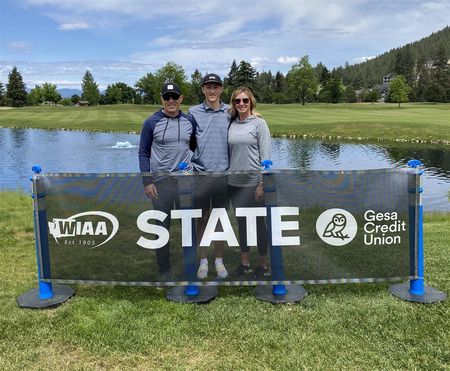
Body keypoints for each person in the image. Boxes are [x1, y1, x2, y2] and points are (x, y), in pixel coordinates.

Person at [138, 82, 195, 281]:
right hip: (161, 183)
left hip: (185, 182)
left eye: (175, 97)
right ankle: (164, 269)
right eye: (167, 97)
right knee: (161, 227)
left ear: (181, 99)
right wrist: (147, 181)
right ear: (162, 99)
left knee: (189, 225)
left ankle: (190, 266)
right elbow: (143, 153)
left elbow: (193, 147)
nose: (171, 100)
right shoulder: (151, 122)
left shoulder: (189, 121)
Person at [188, 73, 230, 280]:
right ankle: (203, 261)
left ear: (221, 89)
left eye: (216, 87)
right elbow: (186, 140)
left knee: (220, 220)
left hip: (223, 175)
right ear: (203, 89)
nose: (212, 90)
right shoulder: (193, 112)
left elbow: (246, 117)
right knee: (202, 219)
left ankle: (219, 261)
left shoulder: (229, 112)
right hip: (200, 175)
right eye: (208, 87)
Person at [228, 86, 271, 280]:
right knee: (242, 224)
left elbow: (266, 156)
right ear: (233, 104)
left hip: (255, 183)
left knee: (259, 225)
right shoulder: (232, 124)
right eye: (238, 101)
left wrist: (262, 183)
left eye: (245, 100)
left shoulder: (259, 124)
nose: (242, 104)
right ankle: (244, 263)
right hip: (235, 184)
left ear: (251, 102)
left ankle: (263, 265)